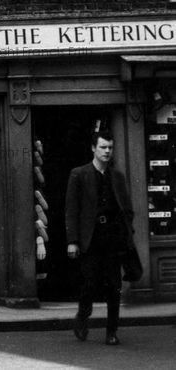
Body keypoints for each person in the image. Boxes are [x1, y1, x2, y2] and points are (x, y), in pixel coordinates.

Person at [65, 130, 135, 346]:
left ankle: (111, 332)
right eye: (103, 147)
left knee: (114, 286)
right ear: (93, 148)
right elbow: (71, 210)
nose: (107, 151)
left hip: (112, 239)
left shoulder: (117, 177)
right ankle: (82, 317)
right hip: (91, 239)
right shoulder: (79, 174)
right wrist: (72, 241)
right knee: (90, 283)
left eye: (110, 148)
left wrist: (126, 234)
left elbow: (126, 208)